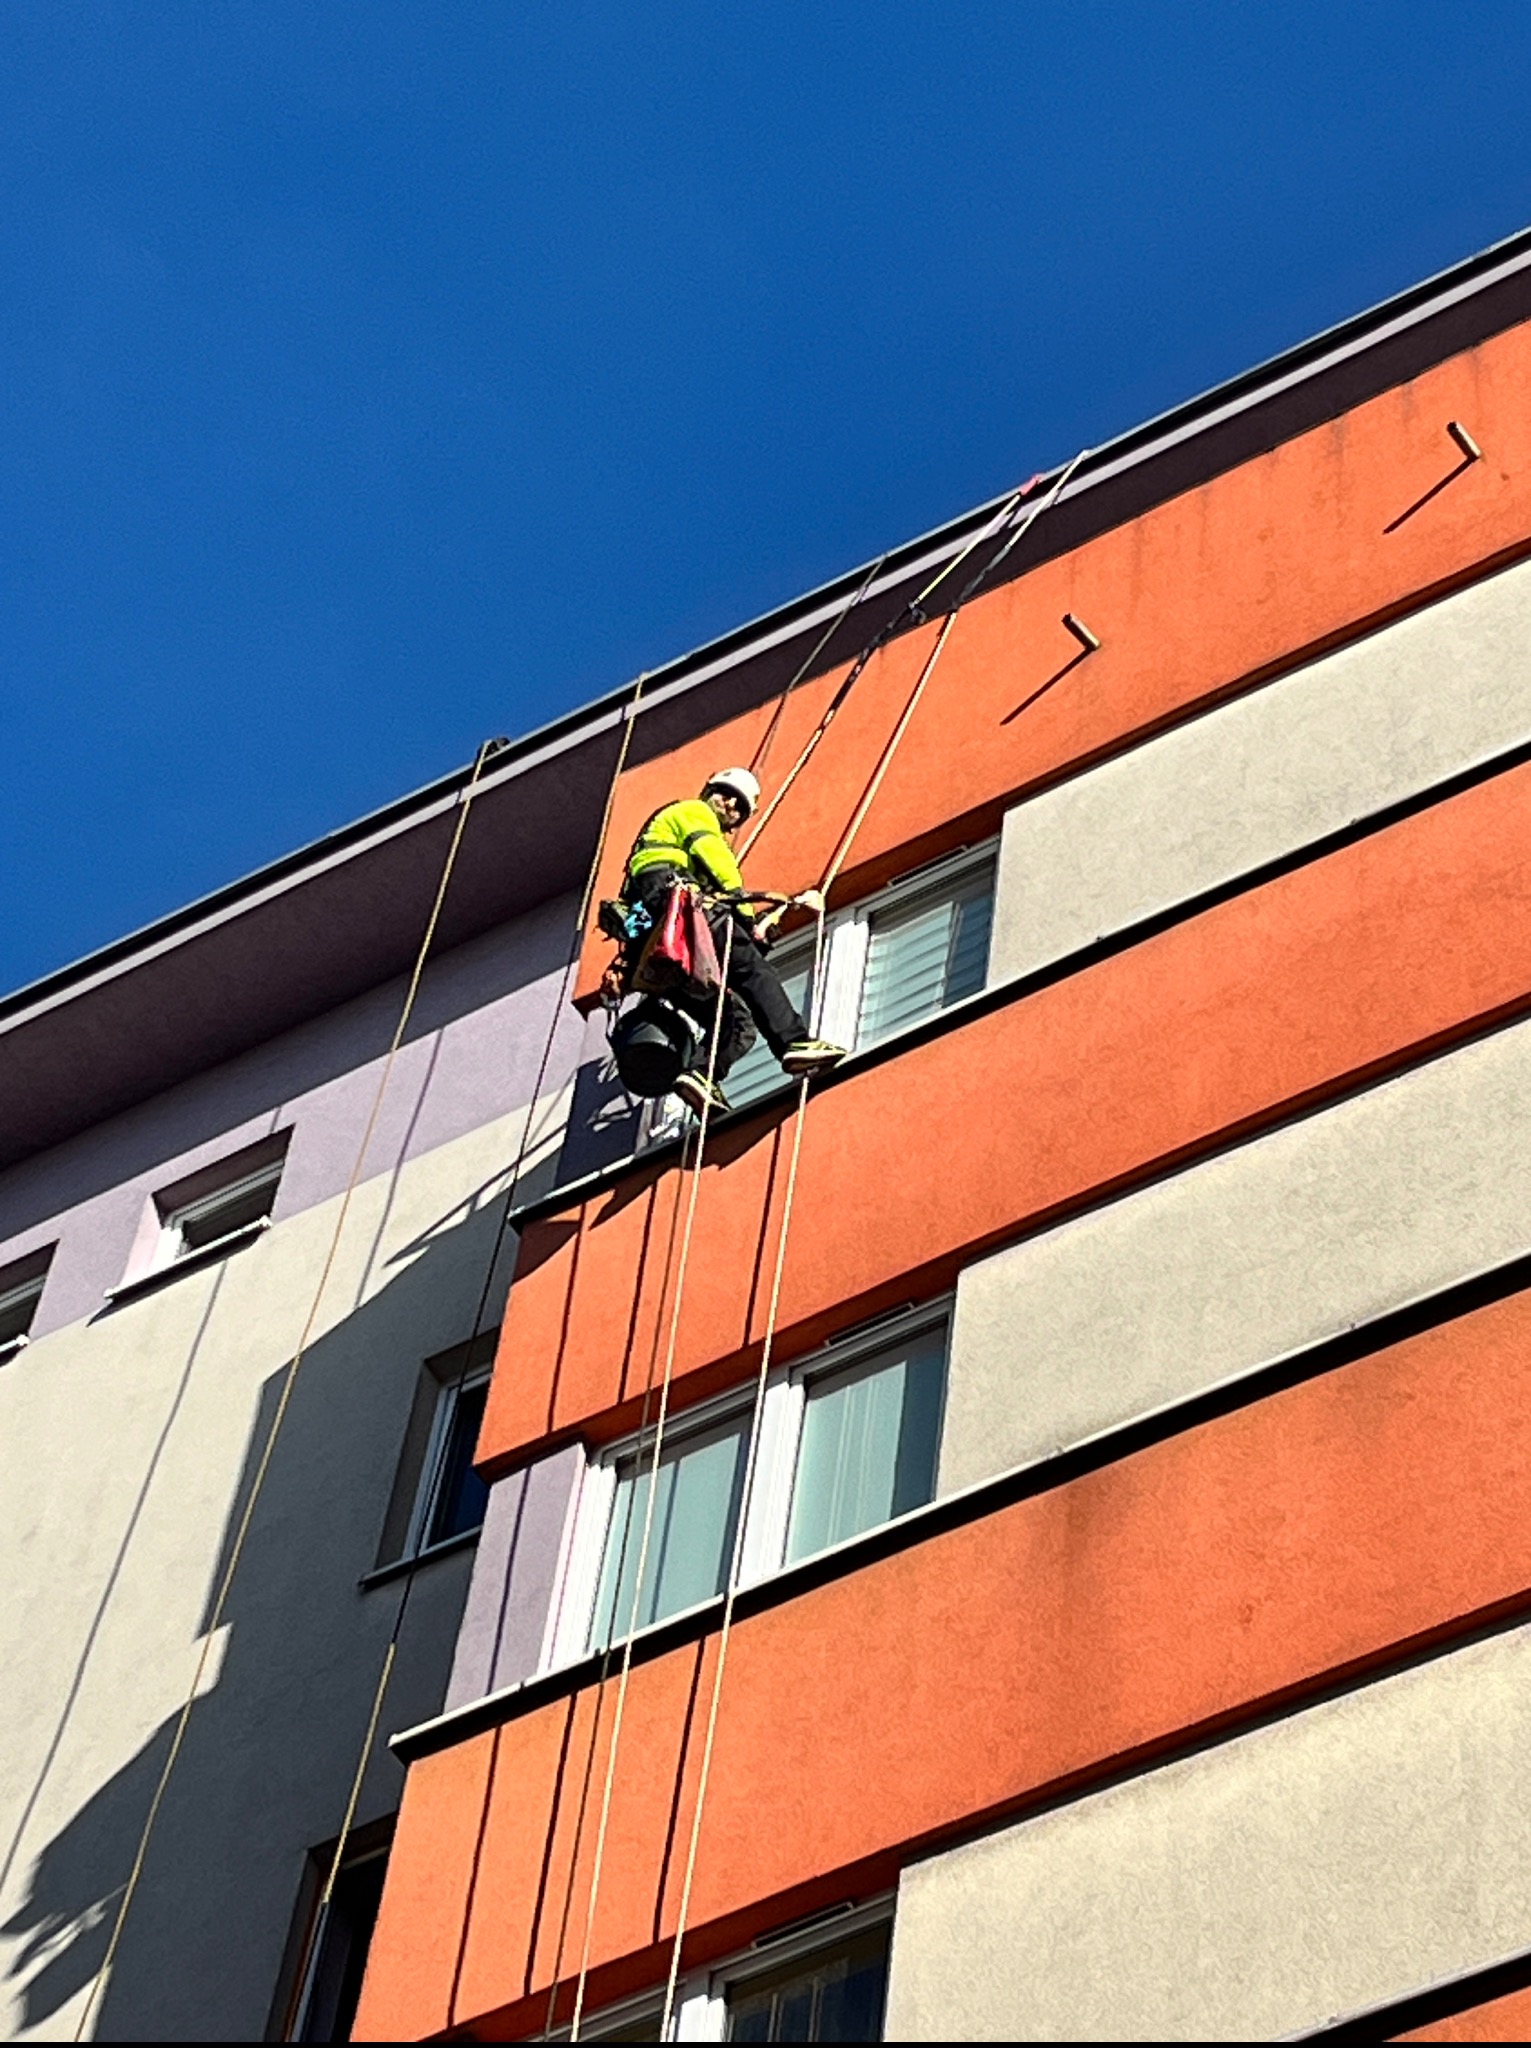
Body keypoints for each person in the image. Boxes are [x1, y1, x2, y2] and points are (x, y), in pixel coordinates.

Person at [616, 767, 846, 1115]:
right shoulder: (693, 812)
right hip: (675, 907)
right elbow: (719, 864)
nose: (730, 806)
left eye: (739, 806)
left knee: (736, 1020)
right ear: (708, 790)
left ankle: (701, 1075)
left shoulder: (670, 843)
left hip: (665, 943)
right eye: (725, 794)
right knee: (754, 970)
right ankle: (795, 1043)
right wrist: (748, 918)